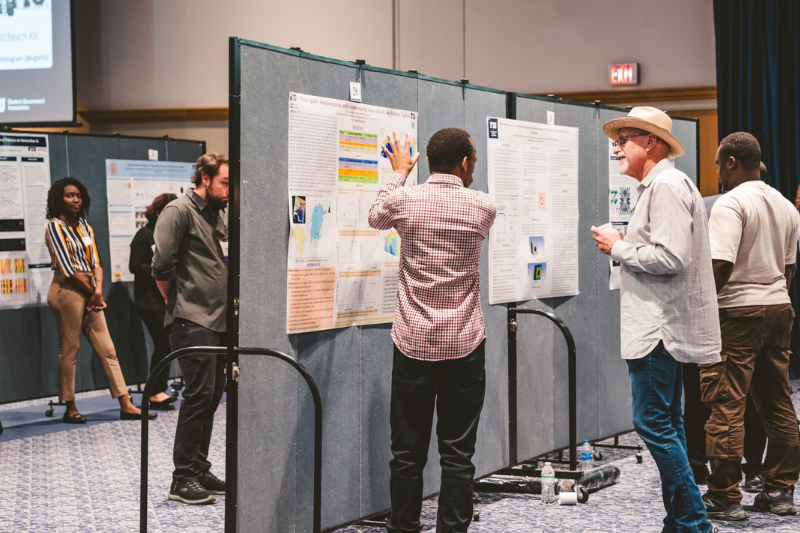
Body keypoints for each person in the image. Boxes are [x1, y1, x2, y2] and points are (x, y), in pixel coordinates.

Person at [592, 107, 720, 533]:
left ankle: (694, 522)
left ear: (650, 142)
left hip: (657, 330)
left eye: (624, 139)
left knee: (653, 424)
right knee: (668, 425)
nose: (617, 148)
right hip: (660, 327)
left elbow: (670, 257)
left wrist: (618, 247)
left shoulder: (665, 185)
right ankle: (682, 521)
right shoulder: (663, 185)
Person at [368, 129, 497, 532]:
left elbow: (376, 216)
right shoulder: (483, 207)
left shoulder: (406, 200)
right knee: (458, 454)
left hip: (413, 343)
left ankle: (404, 526)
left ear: (428, 161)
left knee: (406, 451)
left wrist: (400, 173)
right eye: (473, 163)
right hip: (464, 344)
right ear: (464, 163)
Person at [701, 132, 800, 519]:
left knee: (726, 403)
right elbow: (788, 270)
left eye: (718, 165)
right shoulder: (786, 207)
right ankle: (779, 492)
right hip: (779, 308)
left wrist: (701, 306)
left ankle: (725, 497)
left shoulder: (731, 203)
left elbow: (721, 265)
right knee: (777, 400)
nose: (718, 174)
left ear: (730, 162)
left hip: (738, 314)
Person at [44, 177, 156, 423]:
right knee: (70, 349)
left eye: (78, 195)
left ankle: (125, 403)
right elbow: (67, 269)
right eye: (69, 195)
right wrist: (92, 291)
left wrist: (97, 291)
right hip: (67, 289)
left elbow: (96, 261)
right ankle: (70, 407)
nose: (75, 199)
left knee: (108, 348)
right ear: (59, 200)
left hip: (90, 288)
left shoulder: (85, 225)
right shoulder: (55, 226)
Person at [152, 153, 229, 505]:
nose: (229, 190)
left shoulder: (222, 213)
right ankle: (182, 477)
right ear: (203, 177)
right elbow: (162, 267)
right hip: (191, 319)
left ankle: (198, 467)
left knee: (212, 395)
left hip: (220, 320)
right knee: (199, 395)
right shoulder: (179, 211)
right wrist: (179, 305)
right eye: (224, 183)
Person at [129, 193, 178, 410]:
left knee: (167, 344)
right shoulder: (144, 235)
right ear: (158, 213)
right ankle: (155, 392)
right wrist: (159, 269)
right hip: (150, 301)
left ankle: (158, 389)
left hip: (168, 299)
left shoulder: (171, 235)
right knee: (164, 343)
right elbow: (135, 265)